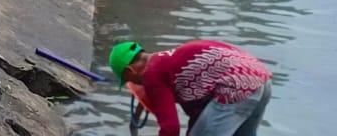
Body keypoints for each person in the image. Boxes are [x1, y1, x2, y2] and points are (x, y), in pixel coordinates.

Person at [109, 39, 273, 136]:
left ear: (130, 71)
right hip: (261, 80)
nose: (139, 85)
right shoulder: (171, 63)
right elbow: (199, 116)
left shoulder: (152, 74)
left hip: (236, 88)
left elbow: (170, 128)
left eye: (129, 80)